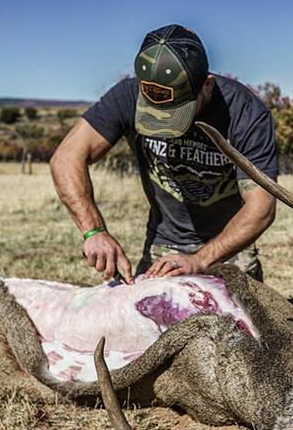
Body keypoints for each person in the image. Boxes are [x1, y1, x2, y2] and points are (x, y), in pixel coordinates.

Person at [50, 24, 278, 285]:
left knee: (239, 323)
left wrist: (201, 260)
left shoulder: (246, 113)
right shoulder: (127, 96)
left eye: (176, 111)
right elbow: (66, 157)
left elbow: (261, 207)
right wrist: (94, 231)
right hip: (164, 244)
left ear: (207, 85)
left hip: (230, 247)